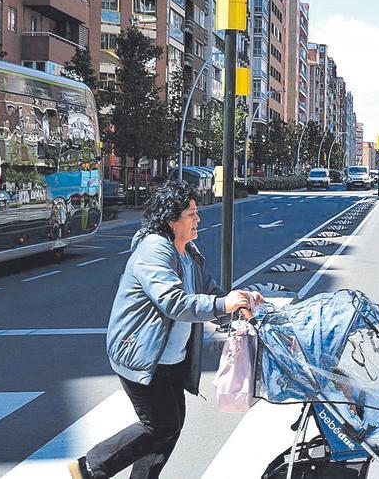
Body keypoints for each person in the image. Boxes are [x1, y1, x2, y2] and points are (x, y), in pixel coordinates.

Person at [70, 180, 262, 479]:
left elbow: (207, 290)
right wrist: (224, 303)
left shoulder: (188, 251)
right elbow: (174, 302)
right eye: (191, 213)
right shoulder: (154, 250)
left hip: (171, 356)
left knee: (170, 427)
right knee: (160, 425)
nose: (198, 218)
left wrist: (240, 307)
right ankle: (91, 468)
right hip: (140, 352)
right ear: (171, 219)